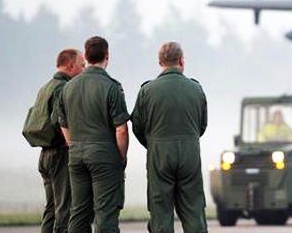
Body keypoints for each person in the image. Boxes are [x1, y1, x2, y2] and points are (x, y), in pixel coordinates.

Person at [131, 41, 208, 233]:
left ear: (160, 62)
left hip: (159, 154)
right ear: (181, 61)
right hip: (190, 153)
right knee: (194, 211)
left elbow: (137, 127)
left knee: (161, 212)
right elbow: (202, 124)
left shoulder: (147, 91)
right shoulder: (196, 89)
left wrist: (153, 144)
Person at [59, 36, 130, 233]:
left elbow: (63, 123)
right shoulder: (111, 86)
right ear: (107, 56)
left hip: (76, 154)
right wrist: (121, 156)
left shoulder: (68, 87)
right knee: (105, 212)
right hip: (104, 155)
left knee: (79, 212)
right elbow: (121, 129)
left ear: (87, 56)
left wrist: (73, 145)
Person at [32, 49, 85, 233]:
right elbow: (59, 120)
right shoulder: (63, 88)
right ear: (70, 65)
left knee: (51, 209)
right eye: (82, 65)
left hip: (45, 155)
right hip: (60, 154)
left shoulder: (46, 87)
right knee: (65, 209)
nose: (84, 70)